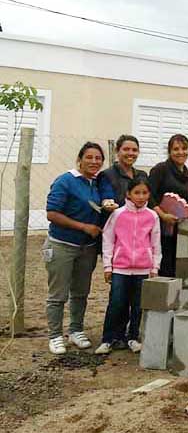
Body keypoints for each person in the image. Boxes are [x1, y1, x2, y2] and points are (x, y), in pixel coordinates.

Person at [44, 142, 108, 355]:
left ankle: (75, 330)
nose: (94, 161)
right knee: (58, 294)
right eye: (89, 157)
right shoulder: (66, 181)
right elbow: (52, 213)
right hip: (62, 245)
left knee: (80, 292)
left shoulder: (96, 183)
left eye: (98, 158)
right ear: (79, 159)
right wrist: (83, 226)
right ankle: (54, 335)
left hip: (86, 248)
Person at [95, 177, 161, 355]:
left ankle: (133, 338)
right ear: (128, 194)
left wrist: (154, 268)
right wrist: (108, 266)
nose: (140, 197)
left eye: (144, 193)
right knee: (116, 304)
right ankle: (108, 339)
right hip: (120, 269)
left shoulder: (152, 216)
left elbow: (156, 243)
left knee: (138, 305)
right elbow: (108, 239)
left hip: (143, 269)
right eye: (137, 193)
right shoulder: (118, 214)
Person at [148, 134, 188, 277]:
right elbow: (148, 195)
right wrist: (162, 215)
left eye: (184, 148)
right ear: (169, 151)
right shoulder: (160, 169)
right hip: (160, 227)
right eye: (176, 149)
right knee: (163, 267)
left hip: (179, 230)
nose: (180, 152)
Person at [98, 135, 148, 206]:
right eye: (126, 149)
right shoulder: (107, 175)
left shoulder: (142, 175)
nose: (130, 153)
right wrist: (108, 204)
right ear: (117, 151)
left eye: (134, 150)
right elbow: (107, 198)